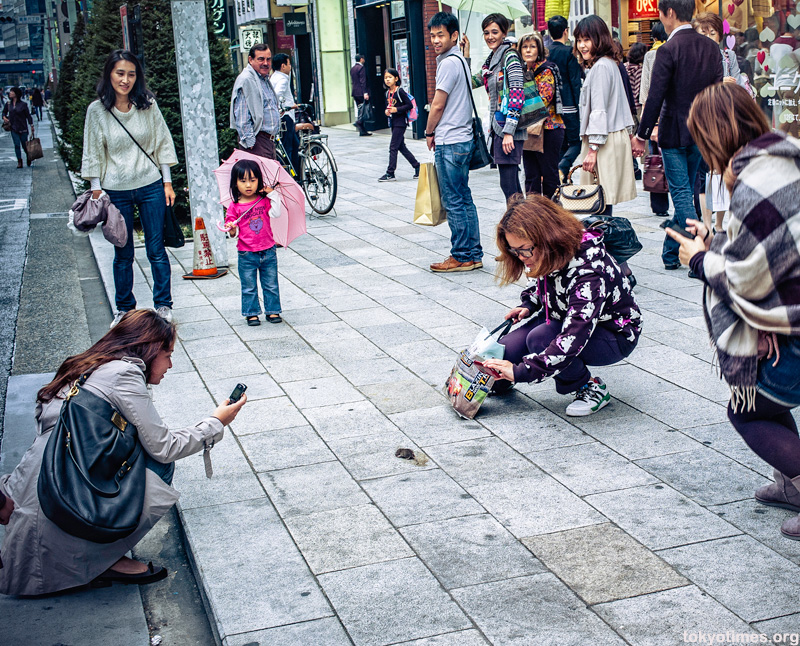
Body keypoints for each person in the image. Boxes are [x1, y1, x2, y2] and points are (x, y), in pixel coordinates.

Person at [0, 310, 248, 596]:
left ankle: (96, 553)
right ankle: (100, 557)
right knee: (158, 464)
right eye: (167, 354)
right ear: (150, 350)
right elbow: (164, 446)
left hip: (38, 485)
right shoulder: (124, 374)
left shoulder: (86, 364)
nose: (170, 364)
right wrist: (216, 422)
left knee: (138, 449)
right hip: (64, 501)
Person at [665, 83, 800, 540]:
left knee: (746, 411)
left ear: (715, 134)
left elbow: (748, 277)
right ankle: (789, 482)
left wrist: (699, 259)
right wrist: (717, 238)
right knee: (760, 401)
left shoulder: (752, 183)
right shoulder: (785, 158)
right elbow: (771, 247)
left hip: (792, 333)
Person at [483, 195, 641, 416]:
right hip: (561, 316)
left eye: (524, 250)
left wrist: (521, 372)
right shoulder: (551, 250)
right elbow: (543, 281)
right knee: (501, 352)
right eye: (514, 251)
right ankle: (500, 381)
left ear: (546, 237)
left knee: (540, 338)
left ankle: (590, 388)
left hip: (612, 334)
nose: (521, 258)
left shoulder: (588, 269)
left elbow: (574, 336)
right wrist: (529, 303)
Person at [81, 51, 178, 328]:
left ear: (138, 77)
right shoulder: (97, 111)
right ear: (109, 74)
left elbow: (162, 143)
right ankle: (124, 309)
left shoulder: (147, 105)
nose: (125, 80)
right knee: (122, 253)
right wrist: (97, 189)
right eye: (120, 73)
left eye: (131, 74)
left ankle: (163, 305)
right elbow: (93, 152)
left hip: (150, 185)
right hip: (116, 189)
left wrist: (167, 181)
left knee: (156, 249)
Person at [631, 0, 723, 271]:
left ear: (669, 13)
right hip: (702, 131)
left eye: (660, 14)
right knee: (688, 190)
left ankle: (700, 253)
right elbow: (717, 93)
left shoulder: (668, 49)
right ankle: (671, 254)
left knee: (682, 194)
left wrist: (642, 135)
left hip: (673, 133)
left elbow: (654, 98)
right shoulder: (711, 47)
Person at [425, 12, 483, 273]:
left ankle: (461, 255)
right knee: (464, 197)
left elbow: (438, 104)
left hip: (450, 141)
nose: (436, 40)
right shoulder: (460, 60)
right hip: (463, 138)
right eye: (433, 35)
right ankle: (474, 252)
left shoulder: (448, 63)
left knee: (454, 200)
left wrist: (428, 132)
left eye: (441, 35)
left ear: (454, 36)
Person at [461, 13, 527, 202]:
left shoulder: (510, 57)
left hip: (508, 129)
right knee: (511, 184)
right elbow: (471, 81)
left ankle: (518, 227)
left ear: (504, 33)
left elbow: (517, 93)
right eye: (486, 32)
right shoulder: (492, 59)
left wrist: (509, 132)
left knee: (509, 185)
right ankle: (520, 227)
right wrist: (465, 55)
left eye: (495, 32)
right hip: (500, 128)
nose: (490, 36)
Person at [575, 16, 637, 214]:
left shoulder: (601, 67)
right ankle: (604, 242)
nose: (582, 45)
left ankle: (602, 243)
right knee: (603, 201)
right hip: (609, 137)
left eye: (587, 39)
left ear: (599, 39)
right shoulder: (609, 64)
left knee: (599, 201)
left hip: (603, 141)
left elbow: (600, 110)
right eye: (579, 40)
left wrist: (592, 149)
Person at [692, 12, 740, 234]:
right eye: (704, 33)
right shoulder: (693, 57)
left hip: (725, 119)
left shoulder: (729, 56)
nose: (709, 37)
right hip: (704, 120)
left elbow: (738, 82)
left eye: (713, 33)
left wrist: (731, 84)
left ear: (720, 35)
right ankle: (708, 223)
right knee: (706, 173)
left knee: (722, 171)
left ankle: (719, 224)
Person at [223, 159, 283, 326]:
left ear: (259, 181)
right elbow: (233, 234)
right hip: (246, 253)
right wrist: (232, 229)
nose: (248, 185)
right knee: (249, 286)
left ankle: (273, 311)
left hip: (268, 250)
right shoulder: (234, 207)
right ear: (235, 183)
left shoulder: (263, 201)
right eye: (243, 181)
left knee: (270, 284)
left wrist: (273, 195)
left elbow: (276, 214)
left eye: (253, 180)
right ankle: (251, 313)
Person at [517, 32, 565, 198]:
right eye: (525, 47)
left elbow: (543, 100)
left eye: (532, 46)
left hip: (549, 129)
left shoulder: (546, 70)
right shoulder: (521, 71)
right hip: (528, 129)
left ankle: (553, 216)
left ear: (539, 49)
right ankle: (534, 216)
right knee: (531, 177)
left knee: (550, 177)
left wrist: (518, 102)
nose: (528, 50)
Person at [638, 21, 671, 219]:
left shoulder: (651, 56)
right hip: (675, 115)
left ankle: (659, 205)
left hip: (656, 116)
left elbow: (646, 92)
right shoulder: (676, 51)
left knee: (655, 159)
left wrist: (648, 121)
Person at [547, 15, 584, 176]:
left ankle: (558, 174)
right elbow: (575, 82)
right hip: (569, 104)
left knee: (561, 144)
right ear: (566, 31)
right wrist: (579, 106)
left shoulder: (546, 53)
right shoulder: (570, 52)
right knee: (576, 142)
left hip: (552, 107)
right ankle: (563, 166)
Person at [230, 43, 282, 160]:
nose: (265, 63)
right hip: (257, 143)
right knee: (261, 178)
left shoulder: (263, 78)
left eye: (268, 59)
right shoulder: (247, 79)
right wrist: (250, 144)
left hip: (268, 142)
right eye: (261, 59)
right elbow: (242, 117)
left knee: (269, 178)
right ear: (250, 59)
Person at [378, 68, 420, 182]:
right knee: (401, 146)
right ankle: (417, 166)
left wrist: (397, 109)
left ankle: (390, 172)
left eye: (390, 77)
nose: (387, 80)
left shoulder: (400, 91)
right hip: (393, 122)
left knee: (393, 146)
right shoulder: (387, 93)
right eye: (386, 78)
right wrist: (387, 111)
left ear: (396, 79)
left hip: (401, 122)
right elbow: (389, 106)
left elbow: (409, 105)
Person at [270, 53, 301, 173]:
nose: (290, 67)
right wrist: (287, 107)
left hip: (281, 117)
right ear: (283, 66)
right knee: (289, 148)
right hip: (286, 117)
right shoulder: (283, 78)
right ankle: (292, 175)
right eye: (289, 64)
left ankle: (296, 173)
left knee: (294, 145)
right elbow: (277, 95)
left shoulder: (273, 77)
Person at [2, 87, 34, 168]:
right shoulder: (8, 104)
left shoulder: (23, 105)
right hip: (13, 128)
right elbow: (4, 112)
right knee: (16, 145)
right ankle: (19, 161)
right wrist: (4, 117)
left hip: (23, 128)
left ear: (16, 93)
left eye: (12, 92)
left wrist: (31, 125)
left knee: (24, 145)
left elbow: (28, 116)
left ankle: (28, 156)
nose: (10, 93)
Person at [350, 53, 371, 137]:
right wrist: (365, 92)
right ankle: (359, 122)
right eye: (363, 59)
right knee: (363, 110)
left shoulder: (353, 68)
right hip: (361, 92)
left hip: (355, 92)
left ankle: (362, 131)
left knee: (360, 109)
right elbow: (363, 81)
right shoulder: (361, 68)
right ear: (361, 59)